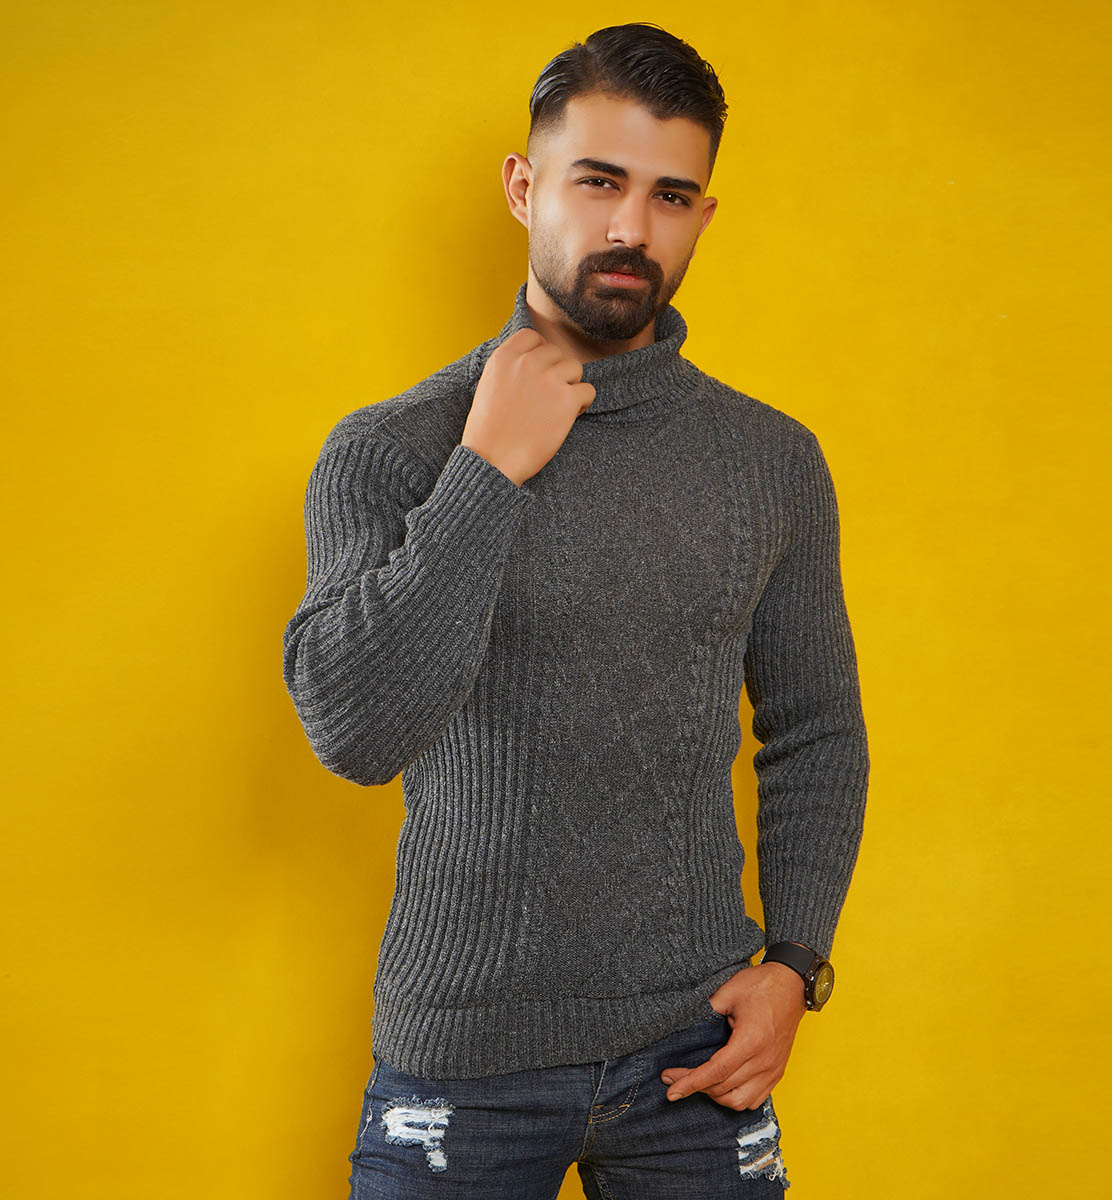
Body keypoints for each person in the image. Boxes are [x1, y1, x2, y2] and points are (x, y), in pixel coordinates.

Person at [282, 21, 870, 1199]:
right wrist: (487, 470)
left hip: (694, 1057)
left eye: (670, 196)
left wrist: (795, 964)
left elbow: (816, 729)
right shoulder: (394, 449)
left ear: (703, 216)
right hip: (462, 1064)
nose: (629, 228)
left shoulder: (770, 461)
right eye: (597, 181)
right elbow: (353, 734)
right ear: (524, 187)